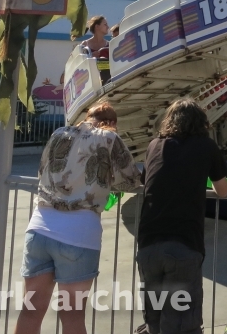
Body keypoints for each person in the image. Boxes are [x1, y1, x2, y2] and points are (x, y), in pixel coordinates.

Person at [15, 101, 141, 334]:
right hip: (79, 233)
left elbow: (43, 170)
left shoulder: (59, 133)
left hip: (40, 226)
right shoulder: (109, 137)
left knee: (31, 310)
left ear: (87, 116)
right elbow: (131, 179)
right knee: (72, 317)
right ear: (111, 123)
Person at [137, 99, 227, 334]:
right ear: (201, 122)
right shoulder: (206, 146)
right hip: (183, 244)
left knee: (154, 320)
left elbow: (148, 180)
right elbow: (222, 190)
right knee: (182, 323)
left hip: (148, 245)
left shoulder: (154, 146)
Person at [82, 15, 111, 84]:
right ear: (97, 26)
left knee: (103, 59)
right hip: (90, 79)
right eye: (105, 24)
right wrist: (91, 55)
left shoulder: (109, 44)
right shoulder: (85, 44)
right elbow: (81, 62)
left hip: (107, 79)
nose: (108, 27)